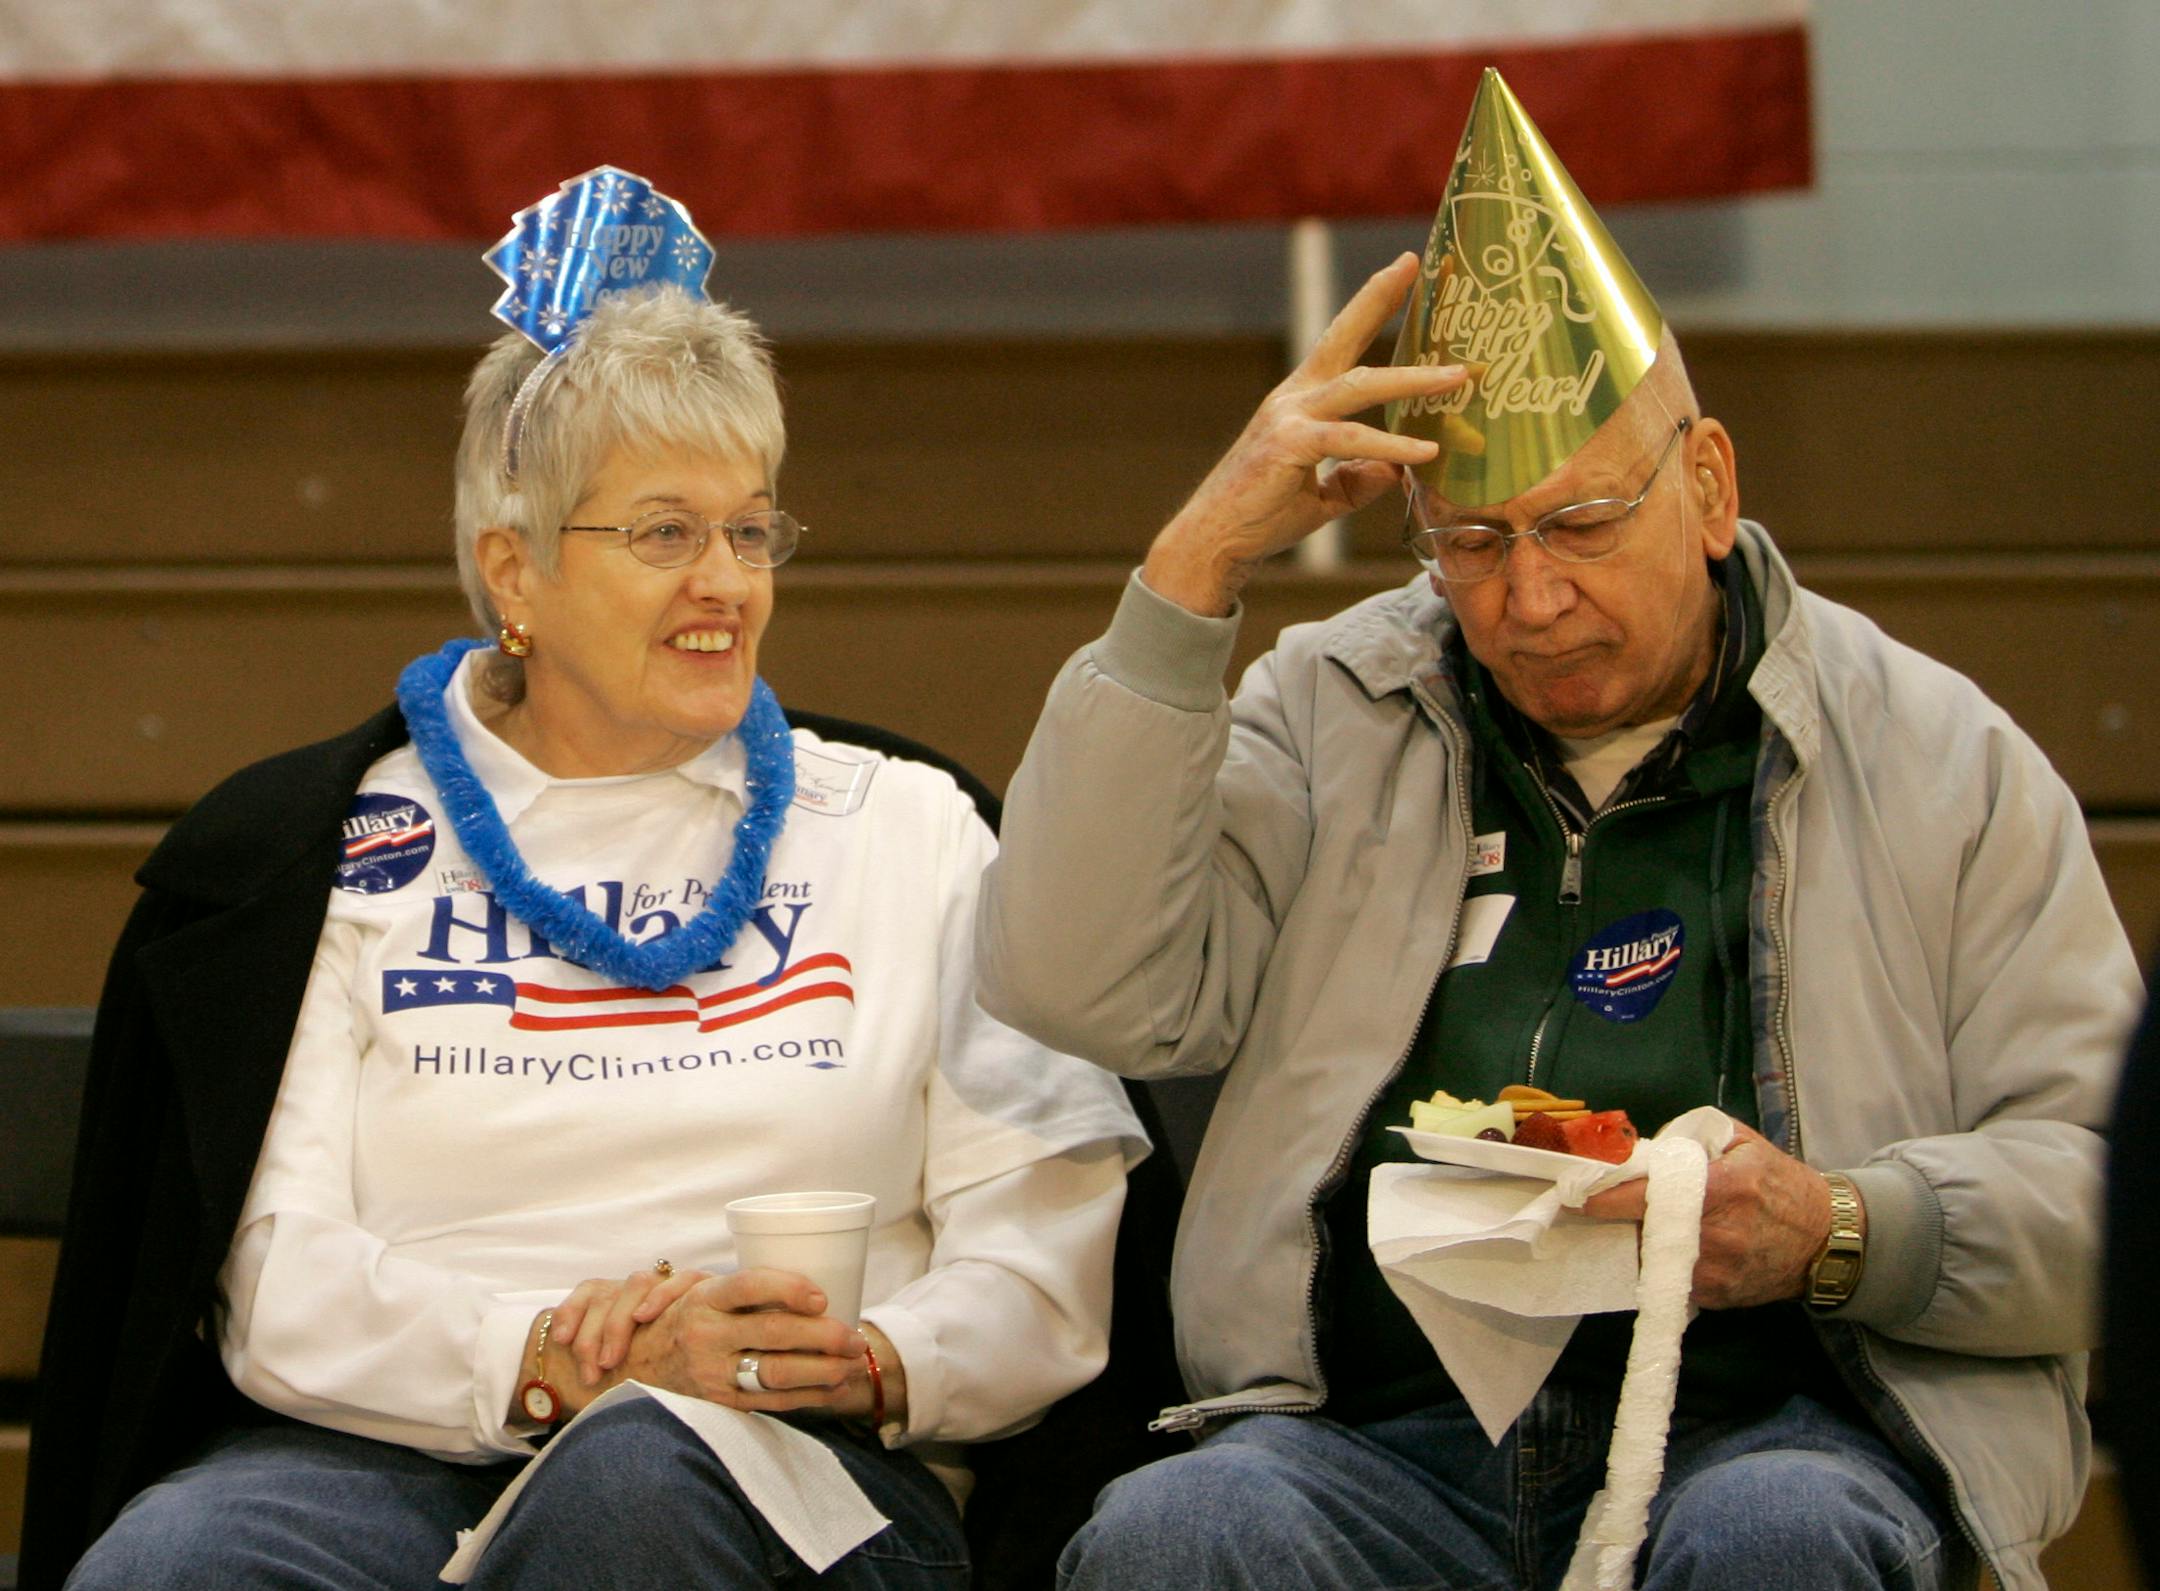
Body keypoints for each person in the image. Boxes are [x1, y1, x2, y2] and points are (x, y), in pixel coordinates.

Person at [976, 71, 2137, 1591]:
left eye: (1583, 528)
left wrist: (1848, 1228)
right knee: (1177, 1535)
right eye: (1471, 545)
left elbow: (2118, 1187)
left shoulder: (1935, 758)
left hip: (1787, 1427)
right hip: (1375, 1448)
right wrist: (1195, 571)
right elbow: (1078, 988)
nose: (1531, 600)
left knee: (1780, 1538)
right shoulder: (1334, 710)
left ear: (1708, 486)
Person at [25, 168, 1142, 1591]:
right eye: (664, 532)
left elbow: (1042, 1251)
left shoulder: (910, 826)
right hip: (394, 1450)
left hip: (795, 1457)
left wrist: (870, 1358)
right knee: (179, 1560)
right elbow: (278, 1276)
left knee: (635, 1487)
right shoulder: (328, 851)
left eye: (750, 529)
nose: (726, 582)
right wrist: (548, 1357)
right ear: (517, 572)